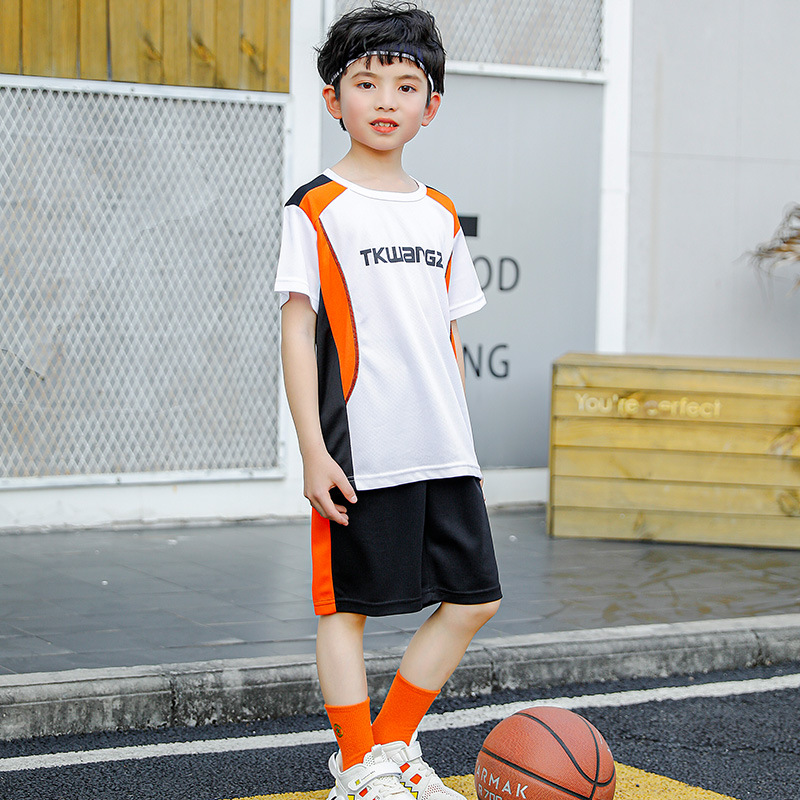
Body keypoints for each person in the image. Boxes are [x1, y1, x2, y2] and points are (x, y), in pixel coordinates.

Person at [274, 3, 501, 798]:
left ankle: (393, 742)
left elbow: (448, 338)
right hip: (358, 448)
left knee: (475, 600)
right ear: (332, 99)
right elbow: (297, 332)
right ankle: (357, 762)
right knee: (347, 611)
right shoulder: (315, 206)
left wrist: (462, 439)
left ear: (430, 107)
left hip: (441, 447)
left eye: (406, 86)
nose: (385, 100)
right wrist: (312, 451)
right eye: (366, 83)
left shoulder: (440, 213)